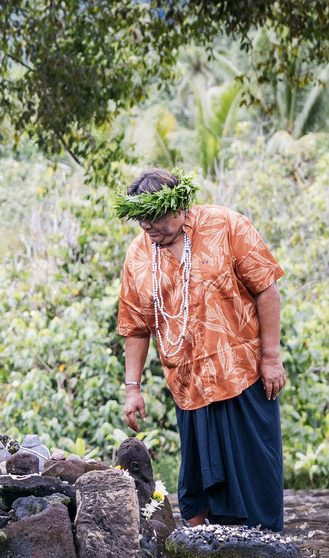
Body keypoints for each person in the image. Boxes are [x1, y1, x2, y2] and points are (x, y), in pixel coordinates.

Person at [115, 166, 288, 531]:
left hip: (243, 372)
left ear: (178, 207)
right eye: (142, 222)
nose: (148, 229)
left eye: (155, 220)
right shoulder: (138, 254)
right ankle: (204, 548)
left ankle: (263, 543)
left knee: (255, 464)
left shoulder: (227, 226)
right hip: (188, 382)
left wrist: (271, 356)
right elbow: (135, 326)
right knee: (197, 478)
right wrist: (133, 388)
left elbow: (266, 288)